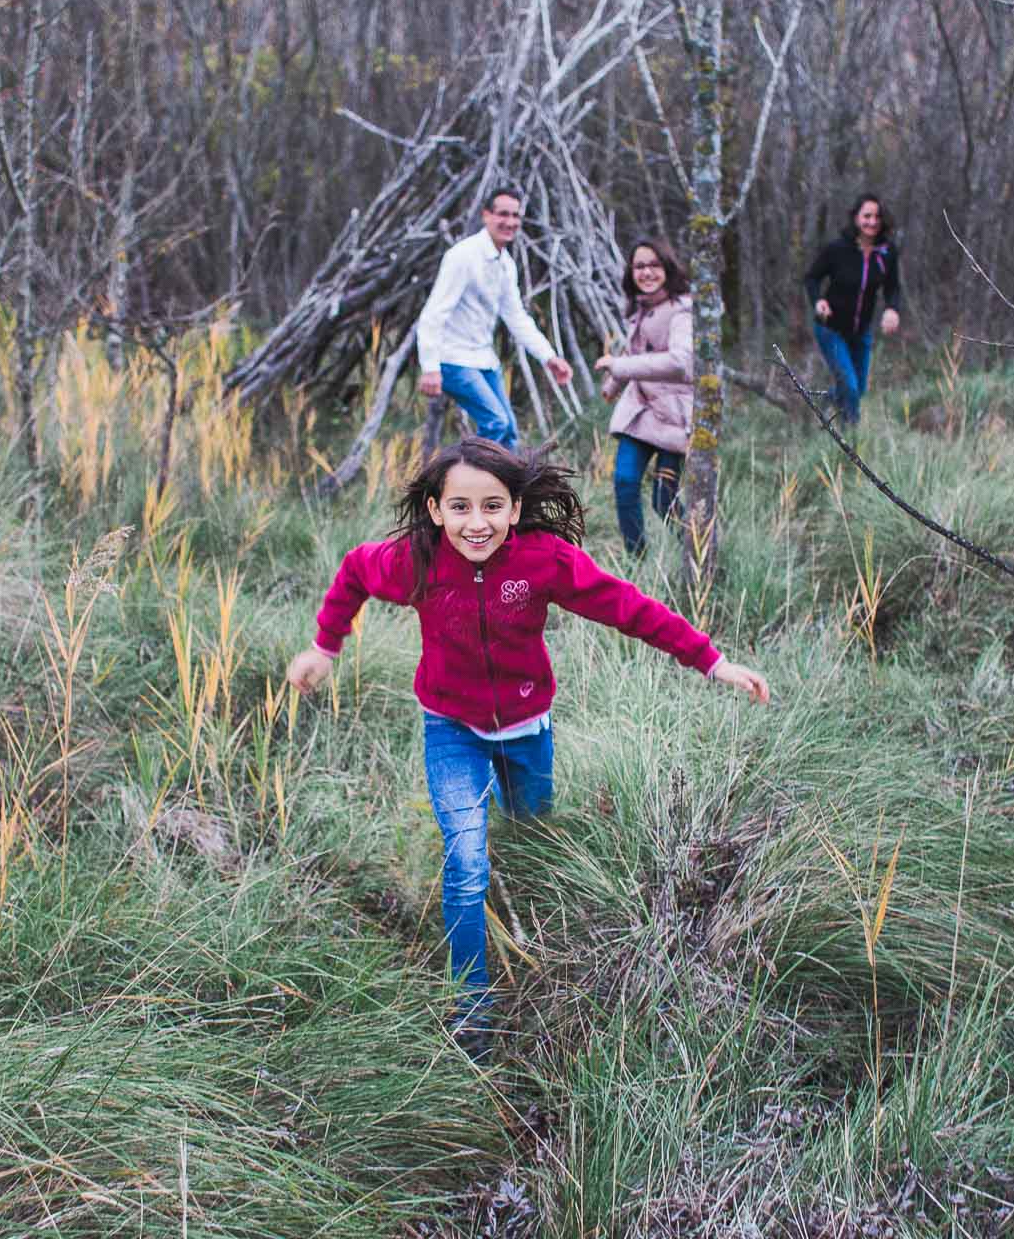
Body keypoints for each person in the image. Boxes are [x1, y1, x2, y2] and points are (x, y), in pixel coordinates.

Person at [285, 438, 769, 1055]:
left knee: (531, 834)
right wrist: (326, 648)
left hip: (527, 728)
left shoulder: (543, 561)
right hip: (450, 730)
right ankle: (474, 1013)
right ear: (435, 511)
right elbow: (355, 569)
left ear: (515, 508)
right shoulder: (417, 562)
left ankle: (534, 929)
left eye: (492, 506)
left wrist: (712, 662)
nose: (476, 522)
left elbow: (630, 608)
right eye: (459, 507)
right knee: (466, 866)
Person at [416, 187, 575, 449]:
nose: (510, 222)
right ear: (486, 215)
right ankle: (457, 477)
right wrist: (430, 367)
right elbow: (434, 313)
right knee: (495, 423)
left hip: (484, 359)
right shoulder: (463, 256)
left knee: (509, 433)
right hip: (452, 358)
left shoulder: (505, 264)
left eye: (515, 216)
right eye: (503, 214)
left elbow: (516, 318)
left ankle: (503, 489)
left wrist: (550, 357)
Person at [595, 238, 693, 556]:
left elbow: (680, 362)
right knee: (624, 483)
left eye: (654, 265)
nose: (646, 272)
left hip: (673, 415)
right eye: (639, 266)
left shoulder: (682, 309)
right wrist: (613, 383)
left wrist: (620, 366)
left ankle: (700, 557)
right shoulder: (640, 308)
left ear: (667, 267)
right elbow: (636, 350)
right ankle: (637, 561)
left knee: (664, 498)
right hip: (640, 412)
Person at [802, 193, 903, 425]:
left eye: (877, 216)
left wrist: (892, 309)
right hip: (831, 329)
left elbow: (893, 288)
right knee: (850, 388)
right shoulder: (837, 249)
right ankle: (851, 442)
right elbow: (812, 278)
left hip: (861, 332)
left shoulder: (887, 253)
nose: (872, 222)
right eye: (867, 216)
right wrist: (818, 301)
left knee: (858, 389)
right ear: (856, 218)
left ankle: (827, 401)